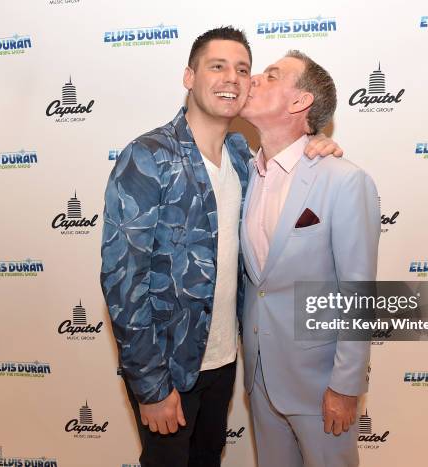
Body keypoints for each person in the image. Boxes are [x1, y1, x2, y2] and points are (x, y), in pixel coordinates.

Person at [100, 28, 342, 467]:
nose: (232, 77)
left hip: (225, 363)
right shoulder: (148, 156)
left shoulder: (242, 158)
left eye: (243, 69)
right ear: (189, 77)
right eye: (217, 66)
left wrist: (316, 143)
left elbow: (286, 171)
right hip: (169, 370)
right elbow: (122, 282)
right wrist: (150, 386)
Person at [239, 50, 380, 467]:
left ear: (300, 102)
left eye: (272, 75)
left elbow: (358, 292)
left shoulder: (343, 180)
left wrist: (345, 386)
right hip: (261, 378)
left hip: (320, 386)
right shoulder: (244, 171)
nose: (255, 79)